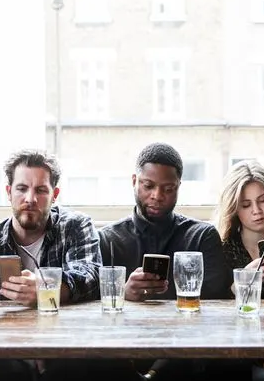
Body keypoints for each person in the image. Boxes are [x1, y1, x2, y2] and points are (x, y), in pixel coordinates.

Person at [98, 142, 230, 381]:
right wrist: (124, 293)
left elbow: (216, 307)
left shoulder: (202, 236)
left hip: (190, 354)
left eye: (168, 189)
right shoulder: (108, 239)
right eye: (148, 185)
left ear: (179, 186)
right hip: (124, 352)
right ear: (134, 181)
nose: (157, 196)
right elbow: (94, 313)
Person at [0, 149, 101, 306]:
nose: (30, 199)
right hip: (5, 327)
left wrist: (46, 289)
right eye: (21, 189)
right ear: (9, 192)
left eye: (41, 190)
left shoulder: (75, 226)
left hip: (62, 327)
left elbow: (90, 277)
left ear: (54, 195)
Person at [217, 160, 264, 299]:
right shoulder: (220, 252)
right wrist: (240, 284)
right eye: (246, 205)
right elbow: (212, 307)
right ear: (234, 209)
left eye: (263, 200)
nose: (257, 211)